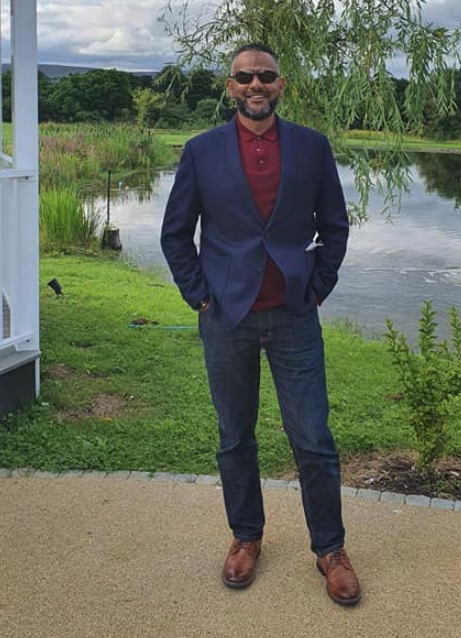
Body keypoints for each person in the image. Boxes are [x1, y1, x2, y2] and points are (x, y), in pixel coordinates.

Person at [160, 42, 360, 606]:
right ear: (231, 86)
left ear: (281, 84)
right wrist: (200, 297)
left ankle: (331, 549)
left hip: (294, 315)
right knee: (234, 436)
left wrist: (316, 287)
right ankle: (246, 536)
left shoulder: (312, 147)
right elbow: (176, 235)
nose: (256, 85)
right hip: (227, 318)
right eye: (245, 76)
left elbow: (335, 227)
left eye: (266, 76)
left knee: (314, 438)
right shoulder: (201, 152)